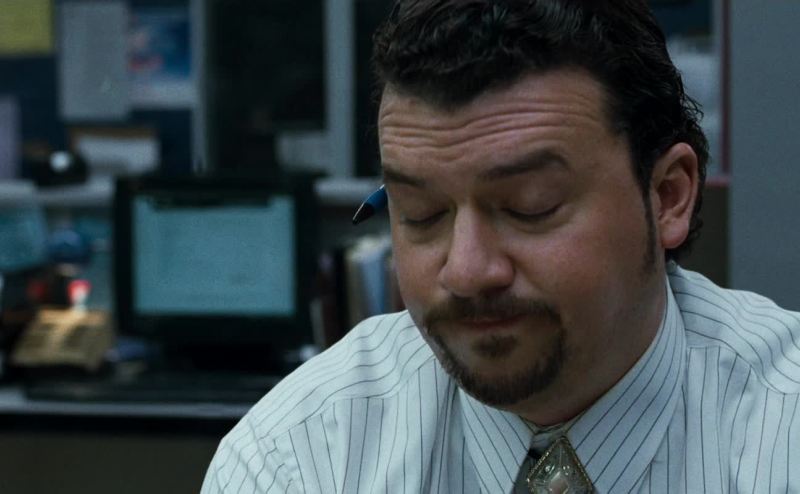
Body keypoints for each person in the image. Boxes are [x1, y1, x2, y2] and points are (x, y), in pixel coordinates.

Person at [202, 1, 800, 492]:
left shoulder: (782, 438)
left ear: (668, 195)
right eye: (421, 213)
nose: (466, 271)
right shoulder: (302, 456)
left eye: (530, 207)